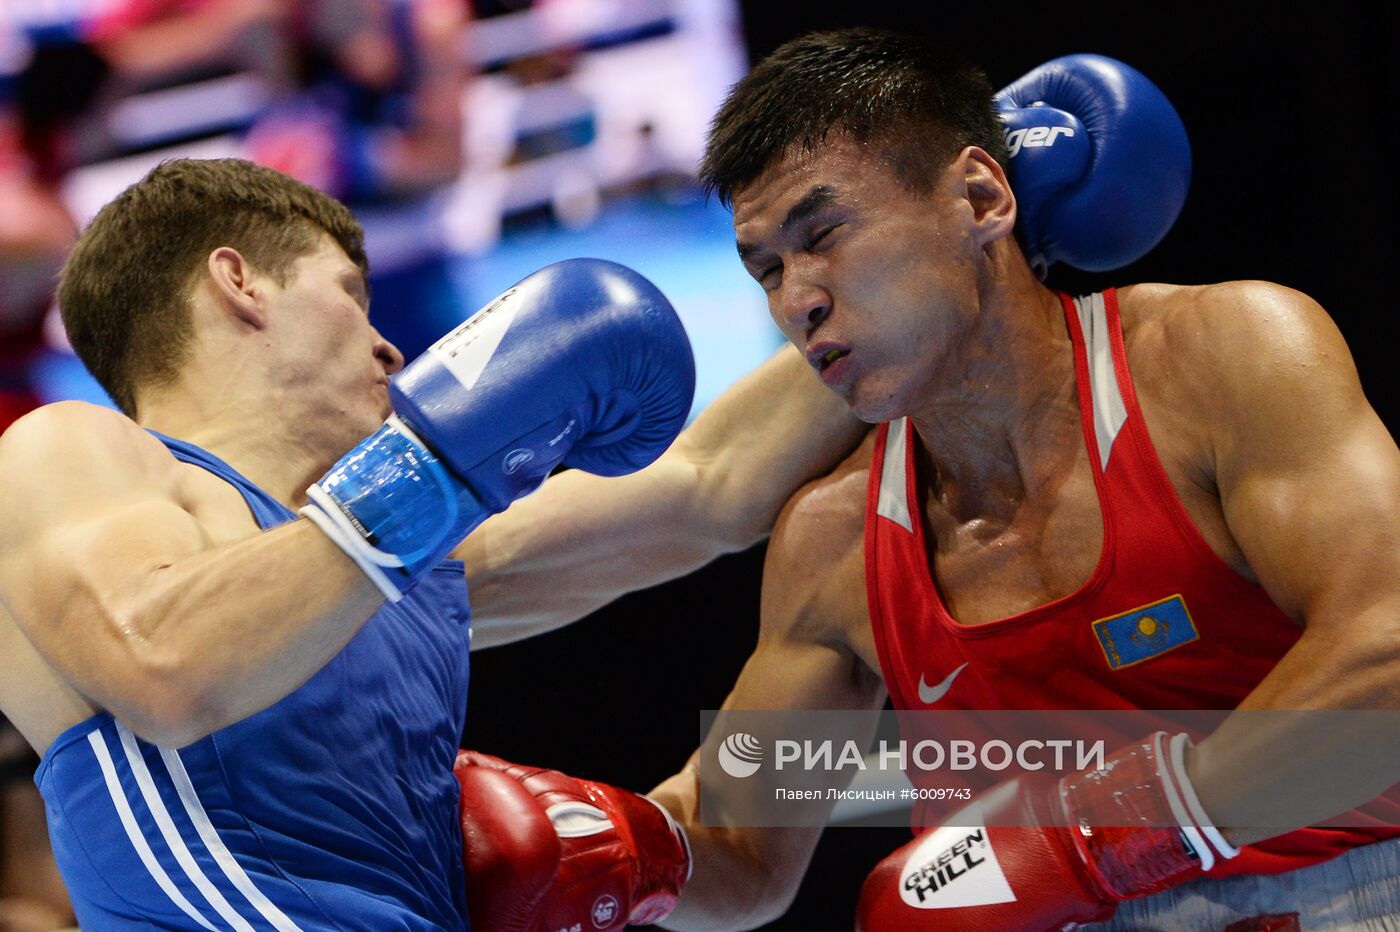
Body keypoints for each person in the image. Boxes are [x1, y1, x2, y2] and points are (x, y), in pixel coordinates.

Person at [456, 29, 1400, 931]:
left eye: (824, 232)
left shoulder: (1217, 359)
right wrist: (622, 852)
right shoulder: (839, 541)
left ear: (983, 198)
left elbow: (1387, 650)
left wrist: (1099, 845)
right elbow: (741, 843)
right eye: (768, 268)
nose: (797, 297)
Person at [0, 156, 867, 928]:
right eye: (349, 293)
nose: (388, 347)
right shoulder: (69, 450)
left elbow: (710, 484)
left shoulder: (398, 570)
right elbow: (166, 669)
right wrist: (437, 461)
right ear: (240, 282)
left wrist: (936, 272)